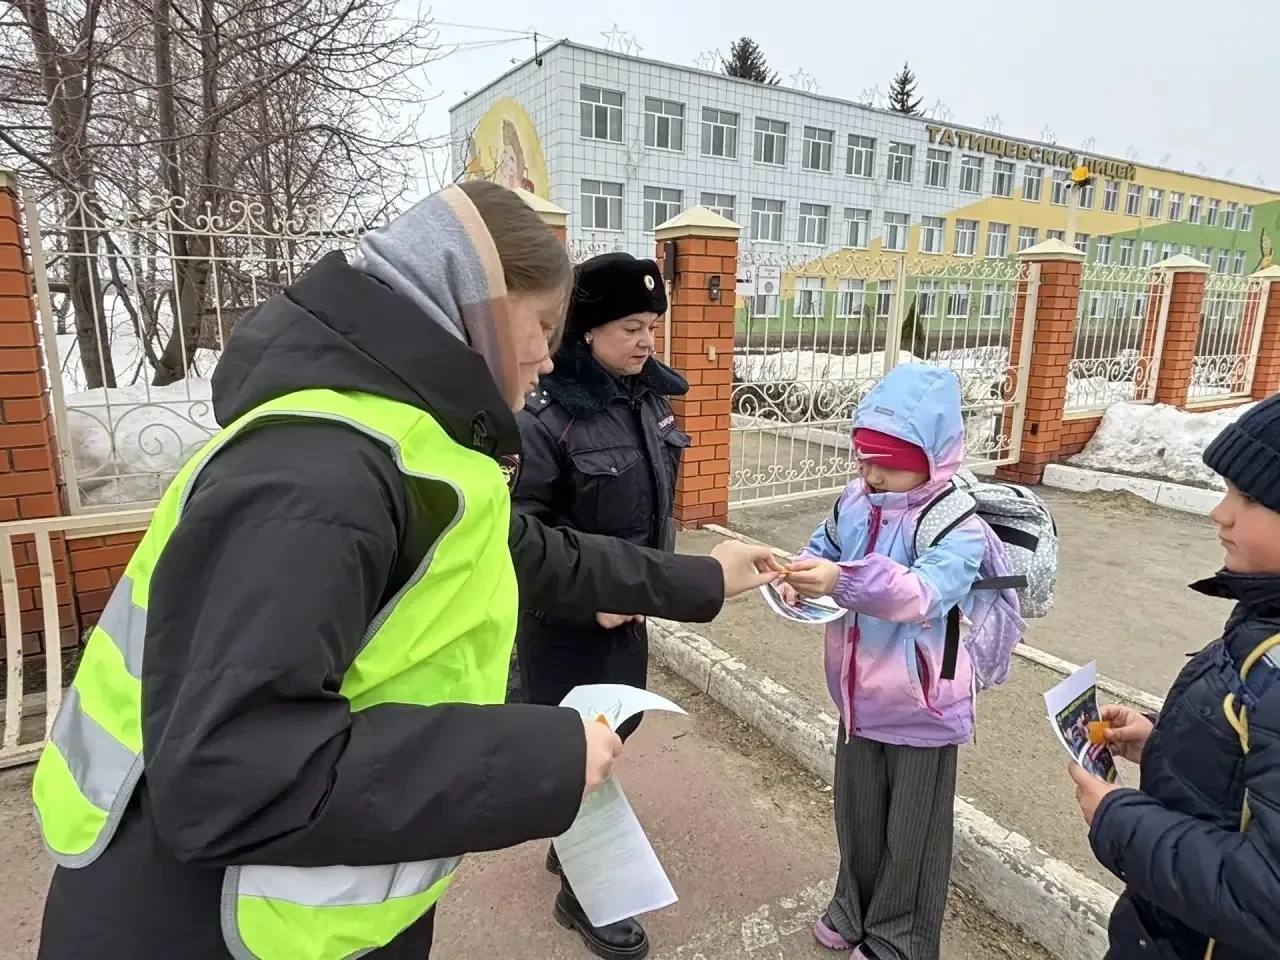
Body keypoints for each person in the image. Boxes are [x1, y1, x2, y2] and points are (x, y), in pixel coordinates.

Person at [32, 181, 780, 960]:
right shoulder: (320, 471)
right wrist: (546, 757)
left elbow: (539, 555)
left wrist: (705, 579)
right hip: (196, 926)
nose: (547, 354)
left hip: (300, 913)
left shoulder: (414, 446)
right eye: (543, 324)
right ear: (478, 303)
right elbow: (232, 773)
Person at [780, 363, 1019, 960]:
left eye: (887, 460)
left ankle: (902, 937)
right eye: (864, 457)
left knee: (913, 832)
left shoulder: (956, 521)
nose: (871, 472)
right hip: (857, 699)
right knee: (858, 814)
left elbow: (922, 594)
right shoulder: (856, 501)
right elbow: (824, 545)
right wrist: (798, 574)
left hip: (924, 704)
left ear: (932, 457)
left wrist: (841, 580)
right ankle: (852, 910)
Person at [513, 251, 686, 960]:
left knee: (624, 724)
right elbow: (519, 535)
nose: (645, 341)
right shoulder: (546, 418)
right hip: (567, 623)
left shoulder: (646, 400)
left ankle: (569, 832)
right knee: (583, 748)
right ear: (586, 331)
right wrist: (591, 605)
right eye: (628, 327)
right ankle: (586, 896)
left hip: (631, 610)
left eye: (650, 326)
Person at [1068, 393, 1280, 960]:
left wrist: (1119, 820)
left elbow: (1268, 898)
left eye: (1251, 497)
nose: (1221, 513)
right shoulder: (1264, 615)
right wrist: (1162, 741)